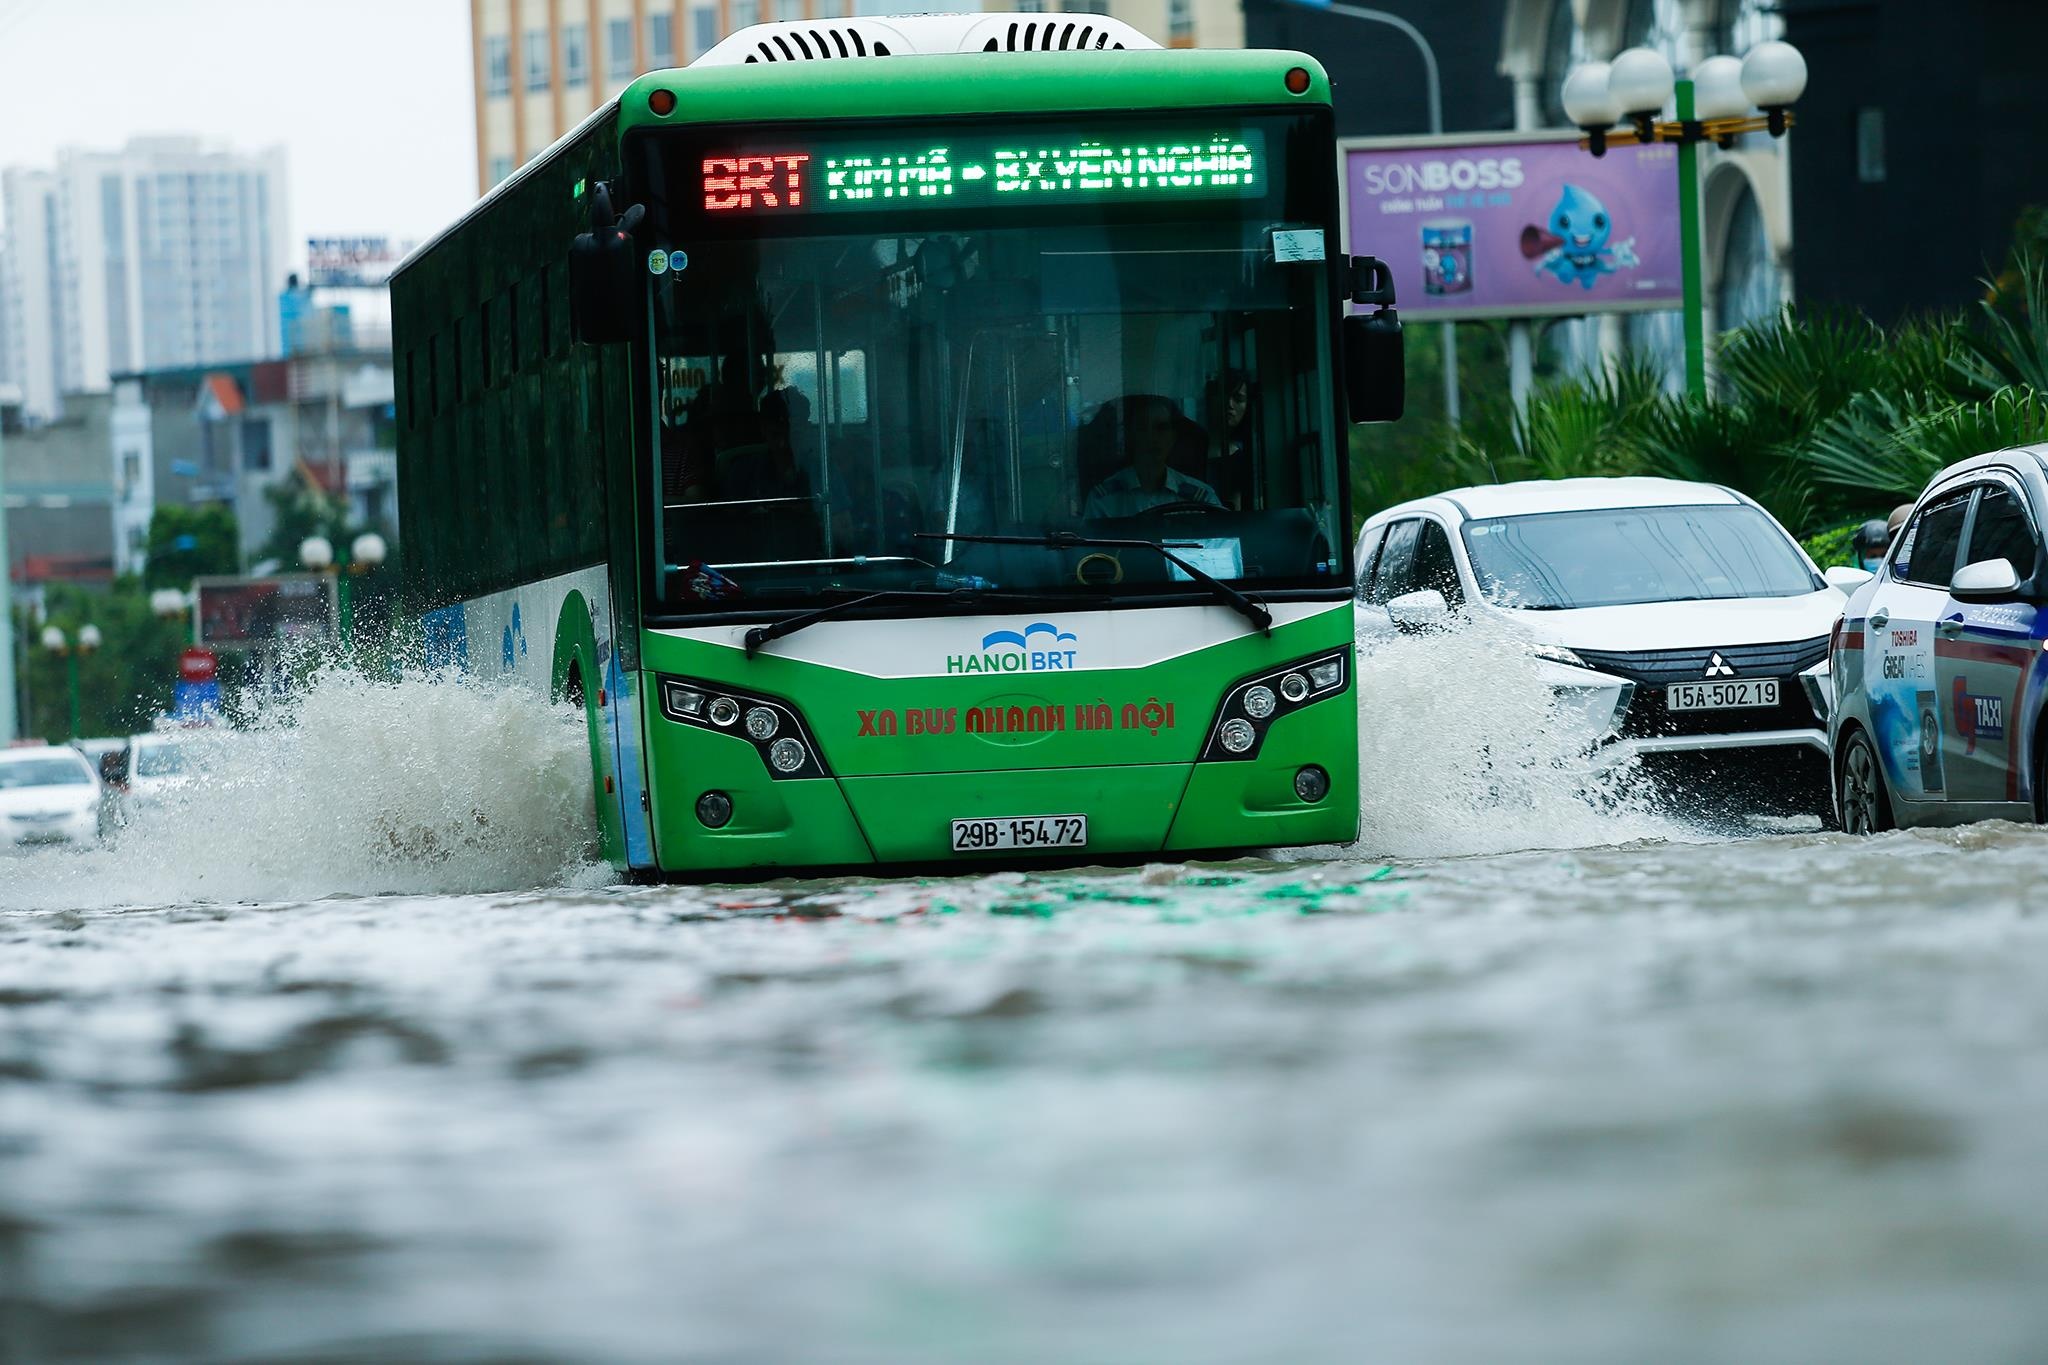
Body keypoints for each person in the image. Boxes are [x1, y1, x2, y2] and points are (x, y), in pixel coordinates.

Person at [1082, 395, 1221, 519]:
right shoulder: (1102, 501)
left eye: (1161, 428)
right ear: (1130, 435)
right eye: (1142, 428)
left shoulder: (1202, 500)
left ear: (1173, 437)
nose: (1152, 438)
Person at [1202, 370, 1254, 510]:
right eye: (1223, 395)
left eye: (1238, 399)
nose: (1229, 404)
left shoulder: (1247, 458)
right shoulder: (1189, 449)